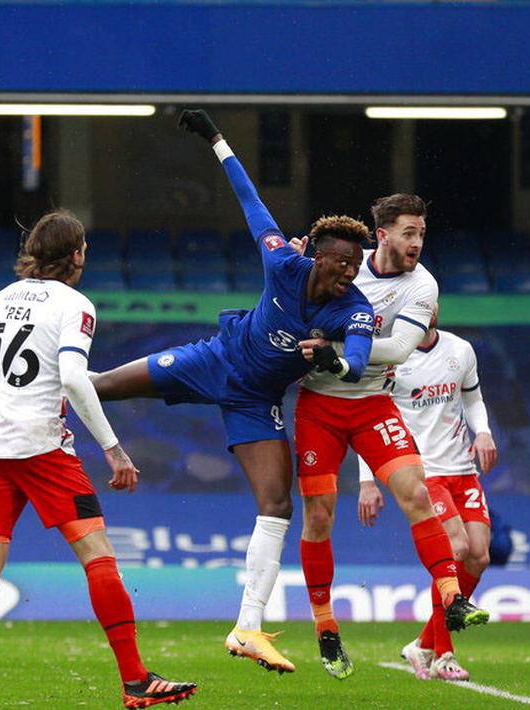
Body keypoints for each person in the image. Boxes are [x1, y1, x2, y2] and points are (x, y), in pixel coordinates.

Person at [91, 109, 375, 675]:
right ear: (318, 257)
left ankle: (248, 628)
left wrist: (334, 359)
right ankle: (33, 404)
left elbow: (360, 360)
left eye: (356, 264)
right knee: (101, 386)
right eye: (342, 262)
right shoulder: (283, 263)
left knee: (277, 505)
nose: (349, 272)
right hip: (211, 359)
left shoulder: (355, 311)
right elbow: (252, 203)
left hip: (256, 403)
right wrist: (217, 139)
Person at [0, 210, 197, 709]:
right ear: (76, 253)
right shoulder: (74, 304)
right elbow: (75, 379)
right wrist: (113, 448)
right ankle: (136, 681)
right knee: (97, 556)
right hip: (42, 449)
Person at [293, 195, 489, 681]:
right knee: (318, 517)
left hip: (372, 403)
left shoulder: (422, 286)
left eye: (421, 233)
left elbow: (400, 347)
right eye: (408, 233)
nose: (417, 243)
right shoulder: (344, 267)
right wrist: (295, 265)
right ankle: (326, 628)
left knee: (416, 493)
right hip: (318, 406)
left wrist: (331, 348)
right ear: (382, 235)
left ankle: (451, 598)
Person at [356, 306, 498, 681]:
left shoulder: (460, 350)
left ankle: (422, 644)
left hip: (462, 470)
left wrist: (482, 431)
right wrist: (367, 481)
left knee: (479, 556)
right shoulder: (389, 358)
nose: (427, 311)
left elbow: (473, 399)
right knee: (456, 548)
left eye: (430, 303)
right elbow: (367, 420)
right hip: (421, 472)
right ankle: (444, 655)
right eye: (418, 306)